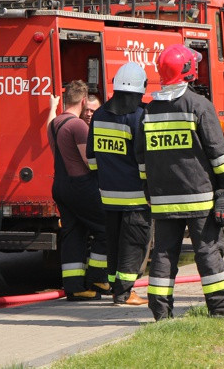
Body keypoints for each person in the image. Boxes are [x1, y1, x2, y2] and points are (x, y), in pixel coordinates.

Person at [134, 44, 224, 320]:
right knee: (208, 251)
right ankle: (221, 307)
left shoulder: (148, 112)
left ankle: (161, 313)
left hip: (163, 200)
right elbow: (217, 152)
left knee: (163, 254)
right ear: (188, 70)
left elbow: (142, 159)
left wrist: (148, 189)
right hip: (199, 197)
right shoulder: (199, 105)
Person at [87, 62, 150, 306]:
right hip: (135, 197)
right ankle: (125, 293)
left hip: (108, 195)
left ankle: (116, 287)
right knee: (133, 244)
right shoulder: (138, 117)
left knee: (113, 245)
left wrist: (105, 177)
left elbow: (92, 157)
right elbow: (143, 160)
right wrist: (148, 188)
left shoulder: (100, 114)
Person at [47, 80, 109, 300]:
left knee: (73, 233)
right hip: (81, 186)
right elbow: (89, 160)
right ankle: (98, 278)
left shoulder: (55, 124)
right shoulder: (78, 126)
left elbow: (50, 124)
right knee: (106, 228)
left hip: (60, 186)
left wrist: (52, 108)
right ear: (84, 101)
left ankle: (75, 287)